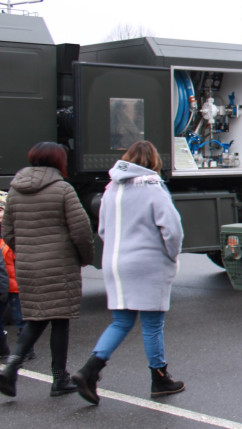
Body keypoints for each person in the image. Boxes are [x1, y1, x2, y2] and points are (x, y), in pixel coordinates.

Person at [73, 141, 185, 404]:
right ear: (153, 161)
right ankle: (159, 378)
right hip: (148, 263)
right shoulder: (153, 187)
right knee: (152, 325)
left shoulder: (112, 188)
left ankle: (90, 369)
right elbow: (172, 229)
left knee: (121, 321)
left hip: (116, 262)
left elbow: (102, 230)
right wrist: (171, 254)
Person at [0, 142, 95, 397]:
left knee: (36, 317)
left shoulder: (16, 190)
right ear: (59, 161)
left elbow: (7, 231)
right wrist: (85, 257)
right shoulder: (62, 189)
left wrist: (27, 251)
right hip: (60, 265)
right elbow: (81, 230)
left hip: (28, 266)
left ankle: (11, 368)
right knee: (60, 321)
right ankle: (59, 378)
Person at [0, 191, 32, 360]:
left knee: (21, 319)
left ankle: (26, 349)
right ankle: (4, 350)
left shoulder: (12, 237)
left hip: (15, 286)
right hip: (4, 285)